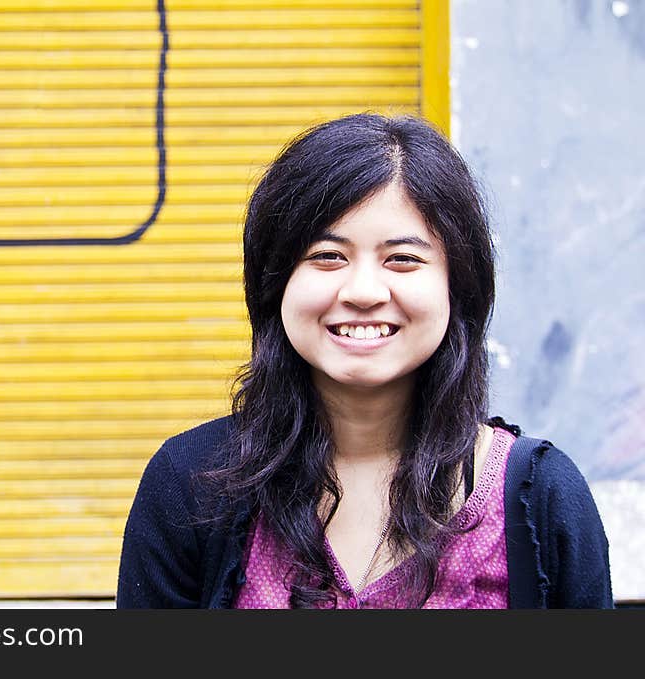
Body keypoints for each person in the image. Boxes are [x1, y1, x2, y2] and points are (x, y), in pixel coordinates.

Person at [116, 113, 613, 609]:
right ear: (276, 282)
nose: (363, 292)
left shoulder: (543, 500)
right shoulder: (188, 486)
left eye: (402, 259)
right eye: (328, 256)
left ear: (457, 286)